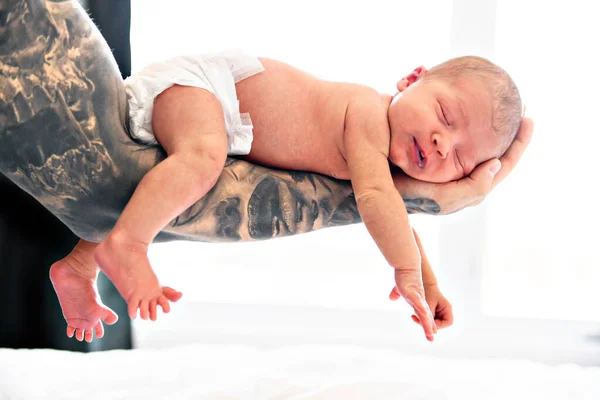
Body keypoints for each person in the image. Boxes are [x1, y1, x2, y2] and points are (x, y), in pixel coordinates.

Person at [0, 0, 532, 344]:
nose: (443, 145)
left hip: (220, 120)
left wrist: (431, 282)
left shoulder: (382, 163)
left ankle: (79, 267)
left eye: (460, 159)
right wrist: (407, 276)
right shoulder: (370, 116)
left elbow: (397, 213)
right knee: (201, 161)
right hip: (203, 88)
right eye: (445, 117)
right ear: (411, 79)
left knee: (169, 193)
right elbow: (378, 201)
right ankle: (127, 247)